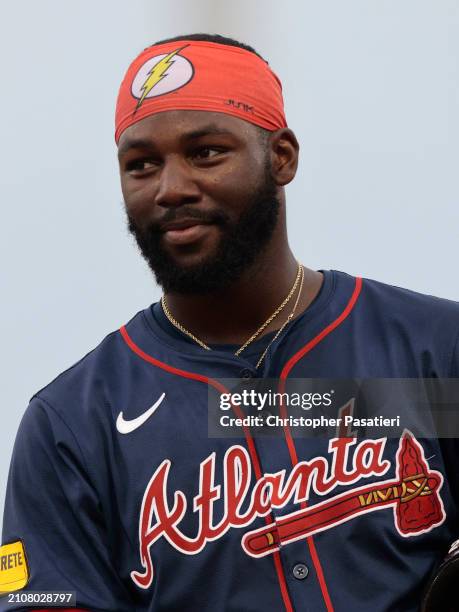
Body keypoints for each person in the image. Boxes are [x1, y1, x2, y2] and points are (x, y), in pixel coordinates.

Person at [1, 33, 458, 612]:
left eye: (206, 152)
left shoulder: (434, 353)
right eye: (141, 165)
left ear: (282, 157)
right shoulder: (71, 425)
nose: (172, 188)